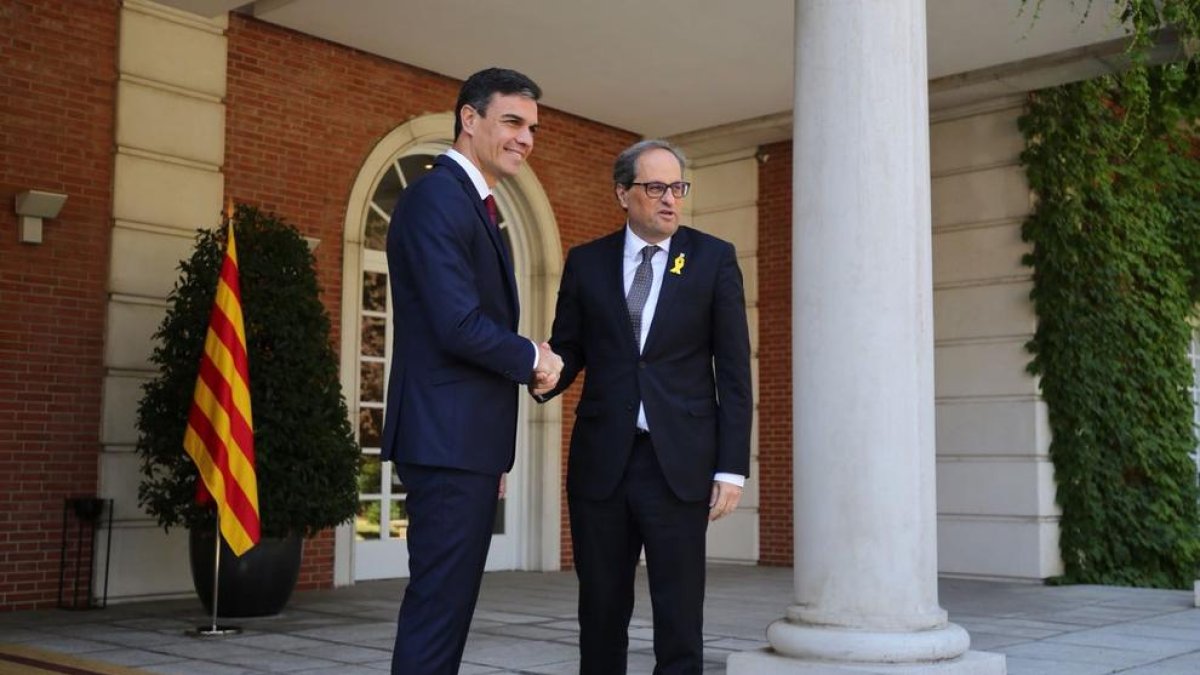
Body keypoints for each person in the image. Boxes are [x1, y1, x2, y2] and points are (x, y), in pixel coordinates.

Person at [534, 139, 752, 674]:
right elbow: (571, 347)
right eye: (655, 188)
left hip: (678, 463)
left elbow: (734, 373)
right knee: (601, 612)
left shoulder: (712, 259)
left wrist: (731, 468)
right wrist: (537, 371)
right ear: (623, 194)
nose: (670, 199)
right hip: (603, 462)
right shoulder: (586, 263)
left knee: (679, 618)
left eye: (677, 187)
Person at [382, 67, 562, 675]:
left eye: (532, 127)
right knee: (438, 608)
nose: (525, 138)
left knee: (448, 606)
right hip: (445, 442)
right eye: (512, 122)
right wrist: (534, 357)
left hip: (464, 444)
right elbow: (456, 324)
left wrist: (492, 454)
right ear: (469, 118)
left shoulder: (475, 203)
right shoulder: (437, 197)